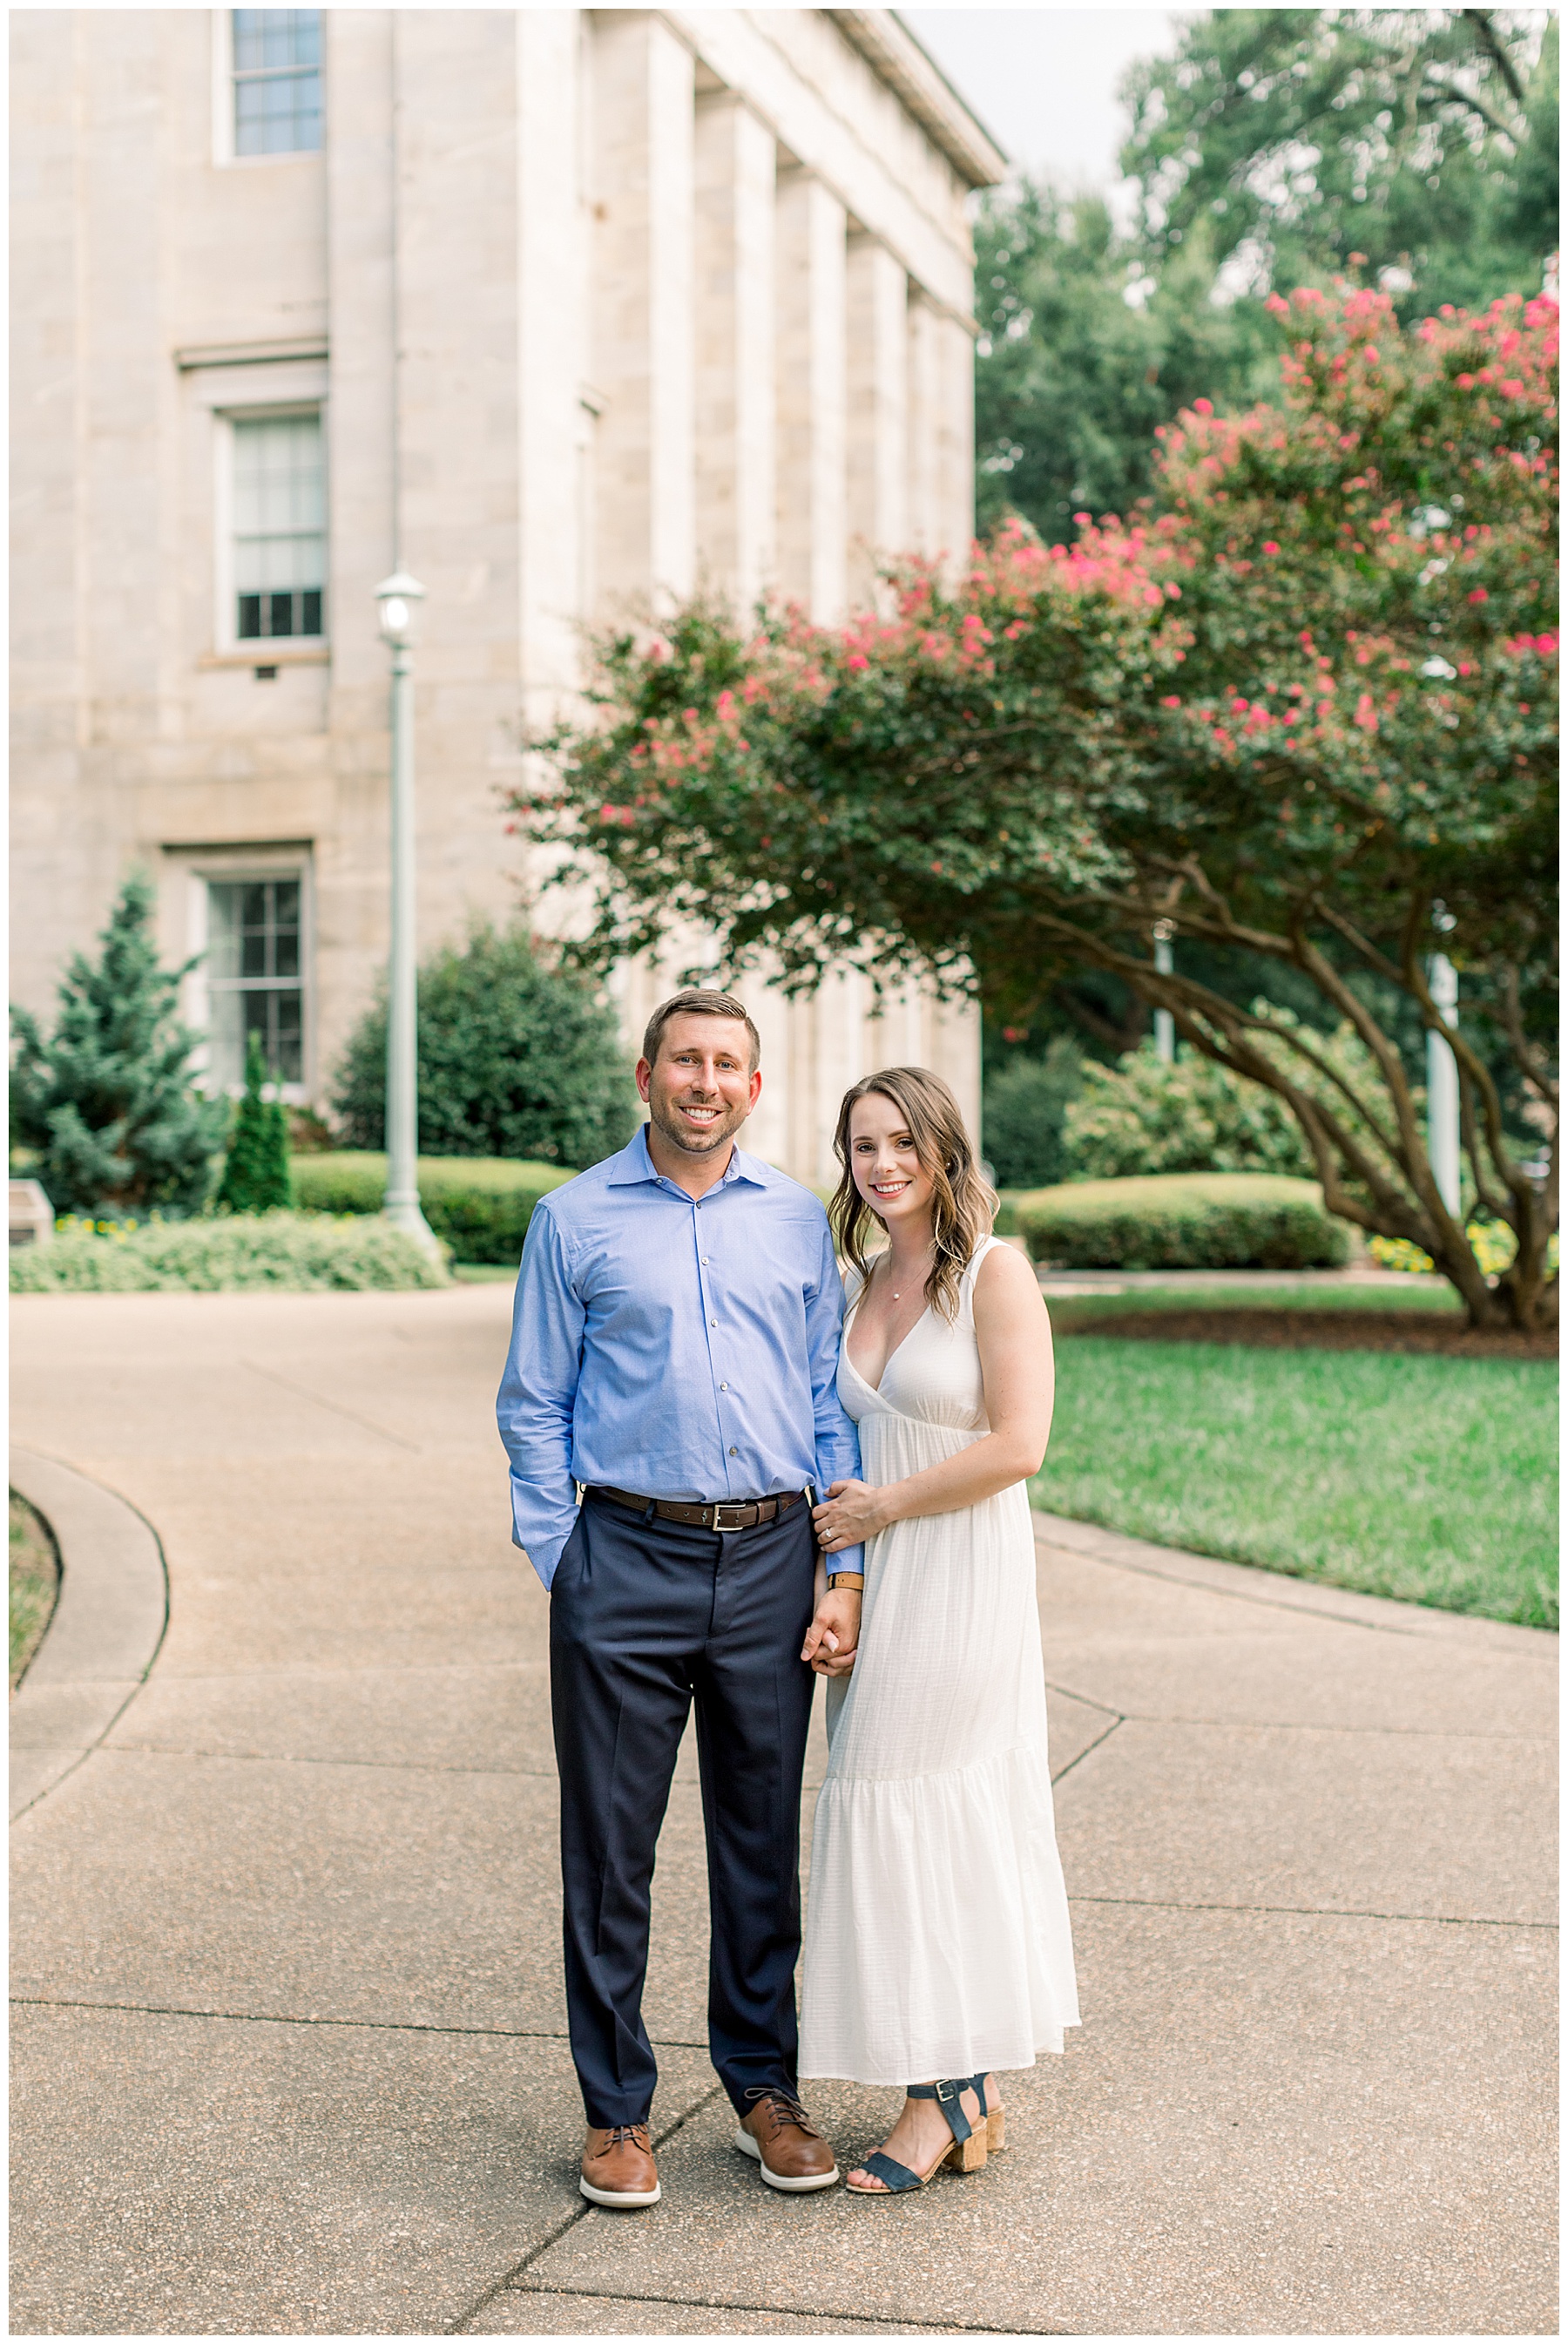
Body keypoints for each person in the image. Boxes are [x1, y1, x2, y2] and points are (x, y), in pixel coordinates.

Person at [497, 989, 866, 2210]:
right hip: (625, 1560)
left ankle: (765, 2085)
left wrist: (832, 1562)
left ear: (753, 1089)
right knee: (610, 1850)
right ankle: (616, 2111)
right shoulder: (573, 1219)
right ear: (646, 1072)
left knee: (758, 1841)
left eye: (728, 1065)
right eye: (685, 1060)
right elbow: (532, 1401)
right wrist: (568, 1558)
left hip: (768, 1559)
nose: (705, 1081)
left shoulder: (798, 1222)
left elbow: (824, 1398)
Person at [800, 1064, 1079, 2195]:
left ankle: (944, 2093)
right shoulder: (861, 1280)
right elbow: (836, 1449)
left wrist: (885, 1509)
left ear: (943, 1148)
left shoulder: (992, 1275)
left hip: (962, 1572)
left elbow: (1021, 1444)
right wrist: (845, 1577)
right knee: (883, 1805)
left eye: (902, 1140)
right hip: (881, 1577)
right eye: (863, 1144)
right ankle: (965, 2083)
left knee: (935, 1802)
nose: (883, 1163)